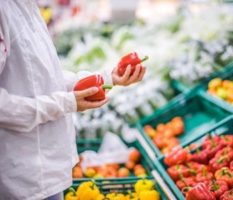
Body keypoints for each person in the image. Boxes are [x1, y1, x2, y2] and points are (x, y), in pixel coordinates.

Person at [0, 1, 146, 199]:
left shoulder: (27, 6)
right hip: (23, 176)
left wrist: (107, 78)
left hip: (45, 168)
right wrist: (66, 103)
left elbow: (43, 77)